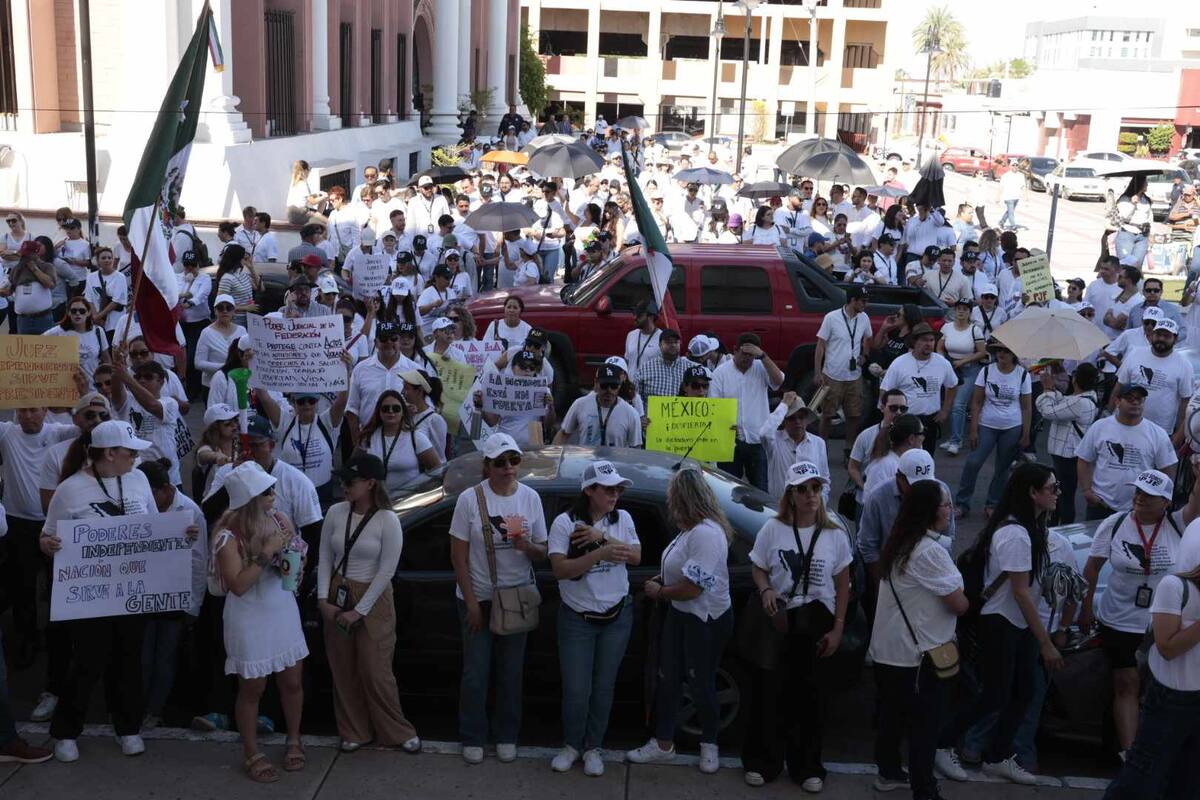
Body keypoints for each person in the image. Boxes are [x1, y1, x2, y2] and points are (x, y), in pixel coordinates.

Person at [38, 421, 160, 762]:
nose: (136, 458)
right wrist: (49, 544)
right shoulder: (70, 490)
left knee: (128, 661)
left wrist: (181, 534)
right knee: (88, 661)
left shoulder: (138, 480)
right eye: (130, 452)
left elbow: (152, 525)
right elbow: (46, 536)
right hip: (90, 595)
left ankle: (128, 728)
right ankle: (65, 731)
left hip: (132, 588)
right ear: (109, 453)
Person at [937, 463, 1065, 786]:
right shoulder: (1016, 534)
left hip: (1019, 624)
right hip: (1002, 622)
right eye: (1052, 488)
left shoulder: (1033, 527)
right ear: (1033, 493)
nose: (1057, 493)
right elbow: (1020, 593)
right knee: (994, 695)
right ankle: (941, 743)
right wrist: (1046, 642)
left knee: (1025, 691)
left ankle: (998, 756)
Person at [739, 461, 852, 791]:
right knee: (770, 693)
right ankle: (764, 761)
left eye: (815, 488)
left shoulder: (834, 533)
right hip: (781, 620)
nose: (810, 495)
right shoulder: (772, 529)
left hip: (817, 620)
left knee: (811, 698)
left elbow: (843, 584)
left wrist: (838, 628)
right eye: (802, 489)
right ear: (790, 494)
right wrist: (766, 589)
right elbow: (758, 567)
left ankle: (807, 766)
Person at [1080, 468, 1200, 761]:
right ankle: (1130, 754)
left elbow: (1197, 499)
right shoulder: (1116, 522)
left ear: (1166, 502)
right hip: (1118, 619)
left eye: (1150, 495)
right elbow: (1092, 568)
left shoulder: (1178, 524)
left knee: (1153, 685)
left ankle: (1161, 749)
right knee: (1126, 683)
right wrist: (1085, 610)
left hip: (1161, 621)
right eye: (1138, 491)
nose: (1141, 498)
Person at [450, 433, 548, 764]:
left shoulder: (531, 498)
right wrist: (473, 604)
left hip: (517, 597)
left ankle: (507, 735)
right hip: (478, 595)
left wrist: (528, 547)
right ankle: (473, 735)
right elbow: (458, 556)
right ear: (487, 466)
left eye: (514, 461)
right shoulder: (469, 500)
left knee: (511, 672)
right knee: (476, 673)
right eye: (500, 463)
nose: (508, 468)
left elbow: (544, 551)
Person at [629, 468, 733, 774]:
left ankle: (710, 745)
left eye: (671, 495)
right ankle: (662, 744)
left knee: (701, 683)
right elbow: (681, 571)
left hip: (704, 619)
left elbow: (692, 588)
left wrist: (660, 591)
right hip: (680, 614)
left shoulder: (706, 534)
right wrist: (664, 581)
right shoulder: (689, 529)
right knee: (668, 678)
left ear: (682, 498)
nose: (668, 500)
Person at [209, 462, 308, 783]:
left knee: (292, 681)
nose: (274, 497)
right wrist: (266, 554)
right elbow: (237, 585)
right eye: (267, 492)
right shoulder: (227, 537)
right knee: (253, 687)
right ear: (250, 498)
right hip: (248, 616)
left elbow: (291, 564)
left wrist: (295, 564)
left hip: (281, 607)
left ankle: (294, 739)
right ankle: (251, 751)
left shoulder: (279, 521)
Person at [869, 480, 967, 800]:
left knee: (892, 716)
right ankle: (925, 790)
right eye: (945, 505)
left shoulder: (901, 542)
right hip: (918, 657)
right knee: (925, 727)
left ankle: (889, 772)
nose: (950, 510)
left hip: (890, 651)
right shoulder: (929, 552)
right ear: (929, 511)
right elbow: (959, 603)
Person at [317, 452, 420, 753]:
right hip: (339, 592)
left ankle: (396, 730)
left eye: (350, 481)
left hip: (373, 597)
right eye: (342, 480)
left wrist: (360, 611)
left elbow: (387, 570)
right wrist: (324, 600)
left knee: (376, 670)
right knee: (343, 668)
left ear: (371, 483)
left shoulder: (388, 520)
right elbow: (325, 557)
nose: (344, 487)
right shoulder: (336, 513)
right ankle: (354, 730)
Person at [547, 461, 641, 776]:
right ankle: (572, 744)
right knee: (577, 688)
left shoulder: (623, 518)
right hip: (577, 618)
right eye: (609, 489)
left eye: (618, 489)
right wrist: (598, 554)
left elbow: (635, 555)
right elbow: (560, 570)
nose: (616, 494)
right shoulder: (564, 523)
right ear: (589, 491)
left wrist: (600, 537)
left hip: (617, 615)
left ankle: (593, 747)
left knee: (603, 687)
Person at [1100, 523, 1200, 798]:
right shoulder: (1175, 587)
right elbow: (1167, 647)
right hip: (1171, 697)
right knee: (1141, 776)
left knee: (1188, 781)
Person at [137, 458, 207, 729]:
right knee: (142, 655)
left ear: (165, 489)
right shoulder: (140, 505)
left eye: (152, 494)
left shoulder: (191, 512)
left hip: (174, 599)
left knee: (164, 656)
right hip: (144, 595)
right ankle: (139, 704)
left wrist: (193, 606)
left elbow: (198, 562)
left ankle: (155, 708)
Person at [954, 338, 1032, 519]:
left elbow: (1027, 407)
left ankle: (993, 503)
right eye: (998, 351)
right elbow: (977, 401)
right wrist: (973, 430)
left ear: (1013, 354)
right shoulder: (986, 371)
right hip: (987, 425)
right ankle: (962, 503)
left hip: (1012, 426)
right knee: (973, 462)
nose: (1001, 354)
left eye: (1005, 351)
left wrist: (1026, 434)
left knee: (1003, 468)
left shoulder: (1022, 374)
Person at [859, 447, 958, 587]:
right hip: (891, 574)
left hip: (931, 570)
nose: (922, 490)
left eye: (927, 483)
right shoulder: (877, 497)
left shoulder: (942, 491)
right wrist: (881, 585)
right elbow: (867, 546)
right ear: (899, 477)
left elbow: (949, 535)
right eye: (916, 485)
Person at [1077, 382, 1177, 520]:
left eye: (1139, 399)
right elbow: (1084, 460)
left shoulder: (1158, 433)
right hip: (1101, 504)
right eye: (1129, 398)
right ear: (1117, 401)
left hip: (1140, 508)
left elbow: (1168, 469)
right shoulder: (1100, 427)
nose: (1135, 402)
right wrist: (1087, 491)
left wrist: (1163, 498)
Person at [710, 333, 785, 493]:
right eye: (744, 354)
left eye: (751, 355)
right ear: (735, 350)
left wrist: (763, 356)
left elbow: (779, 381)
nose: (747, 358)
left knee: (761, 491)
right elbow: (714, 406)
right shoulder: (720, 373)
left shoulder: (761, 368)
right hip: (731, 442)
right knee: (728, 491)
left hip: (757, 440)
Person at [879, 322, 958, 455]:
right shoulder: (899, 363)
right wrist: (888, 416)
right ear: (914, 342)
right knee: (900, 458)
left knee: (926, 458)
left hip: (930, 421)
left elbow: (952, 385)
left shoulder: (942, 363)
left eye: (932, 340)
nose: (929, 343)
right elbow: (885, 391)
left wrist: (945, 410)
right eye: (924, 340)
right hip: (905, 419)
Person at [1036, 362, 1100, 525]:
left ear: (1075, 380)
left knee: (1062, 496)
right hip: (1071, 454)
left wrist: (1047, 390)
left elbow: (1047, 411)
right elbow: (1063, 402)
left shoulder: (1078, 403)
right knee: (1063, 494)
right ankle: (1056, 526)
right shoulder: (1088, 398)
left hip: (1066, 455)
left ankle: (1062, 529)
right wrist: (1052, 392)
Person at [814, 286, 872, 457]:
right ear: (852, 300)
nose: (865, 304)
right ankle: (821, 448)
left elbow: (868, 337)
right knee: (827, 415)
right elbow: (821, 345)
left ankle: (849, 449)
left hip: (854, 376)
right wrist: (818, 372)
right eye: (863, 301)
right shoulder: (831, 318)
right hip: (832, 375)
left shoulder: (864, 318)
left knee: (854, 415)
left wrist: (864, 355)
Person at [1115, 318, 1191, 444]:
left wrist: (1178, 434)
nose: (1161, 339)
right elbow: (1119, 386)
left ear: (1175, 339)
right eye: (1158, 334)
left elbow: (1185, 402)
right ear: (1151, 335)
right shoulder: (1135, 354)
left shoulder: (1184, 365)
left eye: (1166, 336)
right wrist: (1109, 413)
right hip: (1126, 424)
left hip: (1161, 431)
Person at [357, 390, 440, 496]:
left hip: (407, 503)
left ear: (403, 412)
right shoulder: (368, 437)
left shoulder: (416, 437)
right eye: (385, 409)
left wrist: (423, 493)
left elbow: (437, 470)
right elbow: (354, 467)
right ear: (379, 412)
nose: (391, 412)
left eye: (396, 408)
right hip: (375, 500)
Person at [936, 299, 987, 456]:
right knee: (951, 403)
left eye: (965, 309)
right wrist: (943, 360)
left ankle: (956, 441)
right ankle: (954, 437)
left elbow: (982, 352)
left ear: (969, 313)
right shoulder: (947, 327)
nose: (961, 312)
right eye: (958, 308)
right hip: (952, 369)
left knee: (958, 404)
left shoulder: (975, 330)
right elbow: (939, 346)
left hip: (970, 370)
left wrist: (963, 361)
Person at [759, 391, 828, 500]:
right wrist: (784, 405)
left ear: (807, 420)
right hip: (780, 506)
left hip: (809, 508)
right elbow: (764, 433)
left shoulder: (818, 443)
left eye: (801, 417)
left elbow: (824, 479)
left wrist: (821, 504)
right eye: (791, 418)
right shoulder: (775, 440)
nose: (797, 421)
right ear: (784, 421)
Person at [554, 364, 642, 447]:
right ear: (596, 383)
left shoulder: (631, 414)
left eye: (613, 386)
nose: (609, 391)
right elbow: (563, 434)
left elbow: (636, 448)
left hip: (616, 462)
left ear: (619, 385)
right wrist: (552, 458)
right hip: (586, 462)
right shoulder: (580, 404)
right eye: (604, 385)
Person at [43, 297, 110, 384]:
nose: (78, 314)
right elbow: (37, 344)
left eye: (82, 311)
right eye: (74, 311)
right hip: (66, 388)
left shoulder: (98, 331)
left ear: (89, 312)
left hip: (93, 387)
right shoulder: (58, 331)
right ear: (68, 313)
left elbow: (106, 359)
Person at [194, 294, 245, 398]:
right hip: (212, 385)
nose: (225, 311)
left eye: (229, 308)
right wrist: (225, 367)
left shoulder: (242, 330)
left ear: (234, 311)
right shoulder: (206, 333)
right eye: (221, 308)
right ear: (215, 311)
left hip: (237, 383)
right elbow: (198, 363)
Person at [637, 328, 688, 400]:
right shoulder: (645, 369)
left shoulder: (689, 368)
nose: (673, 345)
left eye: (676, 342)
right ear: (660, 345)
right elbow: (636, 398)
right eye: (668, 342)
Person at [1115, 177, 1152, 267]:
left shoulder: (1146, 199)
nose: (1147, 185)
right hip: (1127, 233)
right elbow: (1123, 216)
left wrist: (1151, 235)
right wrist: (1132, 204)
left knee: (1137, 265)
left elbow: (1150, 217)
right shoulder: (1125, 198)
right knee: (1125, 264)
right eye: (1145, 182)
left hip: (1143, 235)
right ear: (1140, 184)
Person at [623, 301, 661, 385]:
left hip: (650, 388)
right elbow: (627, 361)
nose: (635, 317)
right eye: (634, 314)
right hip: (631, 388)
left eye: (639, 315)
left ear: (651, 317)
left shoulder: (662, 338)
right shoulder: (631, 335)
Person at [286, 159, 328, 226]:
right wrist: (324, 196)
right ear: (305, 171)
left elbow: (304, 197)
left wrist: (317, 194)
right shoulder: (303, 184)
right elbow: (313, 202)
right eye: (309, 170)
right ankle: (318, 220)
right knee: (327, 222)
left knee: (316, 214)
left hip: (290, 215)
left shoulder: (293, 182)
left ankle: (316, 219)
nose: (309, 172)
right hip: (299, 214)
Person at [998, 164, 1025, 230]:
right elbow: (1001, 187)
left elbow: (1023, 186)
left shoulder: (1021, 175)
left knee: (1010, 211)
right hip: (1008, 197)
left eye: (1016, 165)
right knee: (1011, 212)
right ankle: (1013, 225)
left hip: (1016, 197)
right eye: (1013, 165)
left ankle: (1001, 222)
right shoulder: (1006, 176)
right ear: (1010, 166)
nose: (1015, 166)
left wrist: (1026, 196)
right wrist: (998, 196)